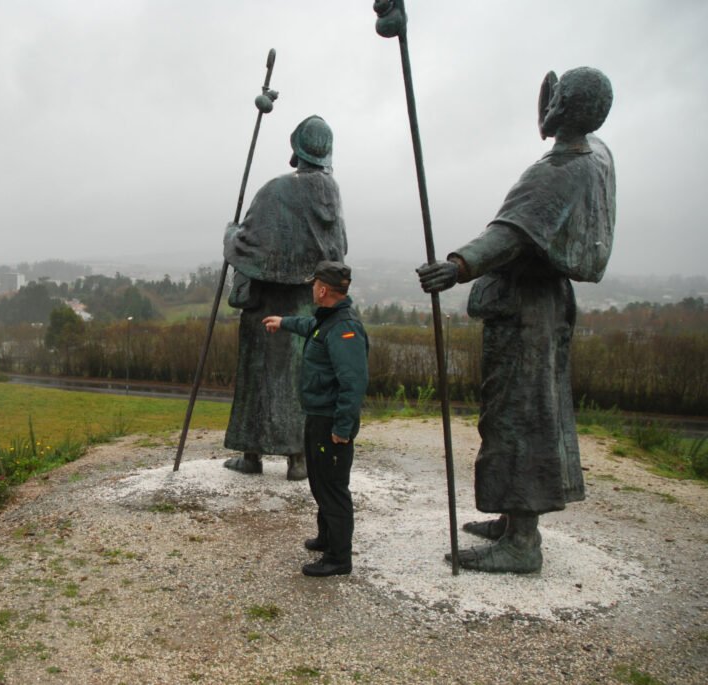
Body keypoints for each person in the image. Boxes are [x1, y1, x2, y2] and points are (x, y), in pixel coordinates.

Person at [417, 67, 616, 573]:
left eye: (554, 98)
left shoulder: (559, 170)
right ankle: (512, 519)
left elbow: (510, 235)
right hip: (543, 305)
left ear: (563, 106)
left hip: (526, 309)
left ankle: (522, 543)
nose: (544, 105)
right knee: (519, 412)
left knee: (519, 417)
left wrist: (457, 266)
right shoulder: (597, 158)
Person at [223, 115, 348, 481]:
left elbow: (246, 246)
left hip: (267, 303)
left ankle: (252, 455)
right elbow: (338, 248)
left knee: (257, 377)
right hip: (308, 303)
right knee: (302, 378)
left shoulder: (277, 190)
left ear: (297, 151)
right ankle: (299, 460)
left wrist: (229, 234)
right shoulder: (331, 192)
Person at [263, 261, 369, 576]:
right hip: (318, 416)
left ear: (322, 289)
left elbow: (354, 382)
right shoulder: (329, 321)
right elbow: (311, 328)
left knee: (333, 488)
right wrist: (284, 322)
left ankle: (339, 558)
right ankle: (327, 538)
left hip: (330, 422)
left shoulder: (344, 327)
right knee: (321, 483)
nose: (312, 288)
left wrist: (342, 428)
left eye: (314, 284)